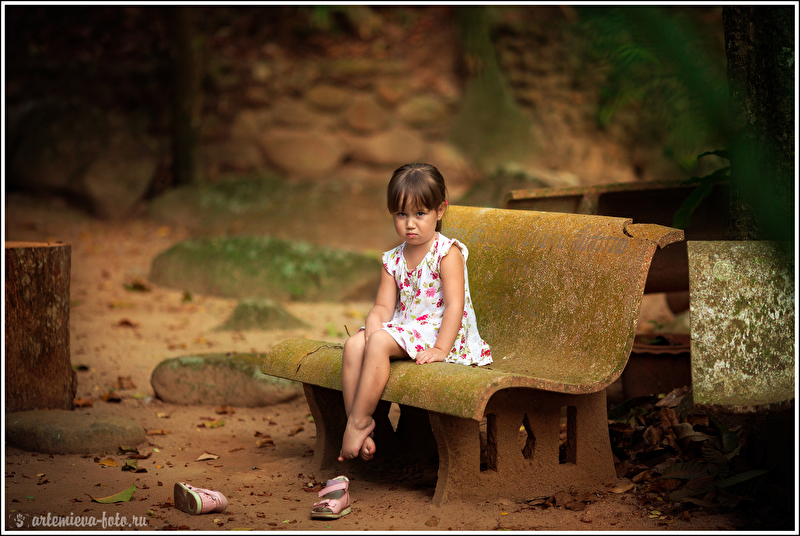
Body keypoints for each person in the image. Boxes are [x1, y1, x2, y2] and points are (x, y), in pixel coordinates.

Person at [338, 162, 492, 463]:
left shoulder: (446, 253)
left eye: (420, 214)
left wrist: (440, 348)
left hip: (442, 332)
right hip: (409, 328)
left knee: (378, 342)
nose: (410, 224)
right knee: (354, 345)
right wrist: (373, 324)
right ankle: (358, 424)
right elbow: (383, 307)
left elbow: (455, 306)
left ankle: (358, 423)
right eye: (401, 214)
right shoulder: (393, 259)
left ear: (440, 210)